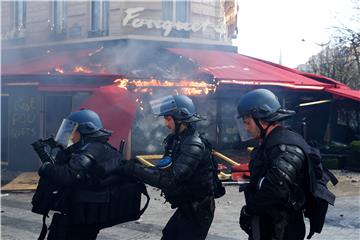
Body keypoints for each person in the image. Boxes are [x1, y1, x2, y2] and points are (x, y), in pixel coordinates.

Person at [123, 95, 217, 240]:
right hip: (186, 207)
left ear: (180, 119)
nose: (166, 123)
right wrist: (138, 167)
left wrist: (135, 170)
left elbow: (171, 179)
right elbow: (163, 170)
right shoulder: (178, 140)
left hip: (198, 210)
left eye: (168, 119)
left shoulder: (193, 144)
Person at [32, 109, 134, 240]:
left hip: (81, 218)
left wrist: (46, 168)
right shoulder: (92, 146)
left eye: (73, 131)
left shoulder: (92, 148)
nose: (70, 135)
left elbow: (70, 175)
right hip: (79, 215)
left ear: (85, 131)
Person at [235, 89, 312, 240]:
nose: (246, 128)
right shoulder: (268, 143)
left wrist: (248, 211)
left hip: (283, 230)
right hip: (267, 226)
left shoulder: (287, 146)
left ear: (262, 120)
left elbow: (276, 188)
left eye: (247, 122)